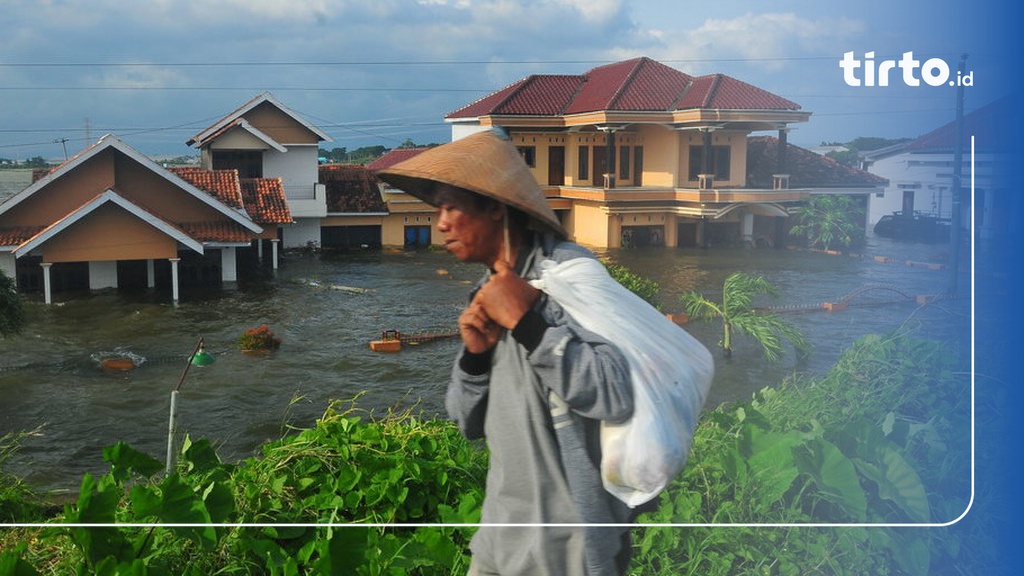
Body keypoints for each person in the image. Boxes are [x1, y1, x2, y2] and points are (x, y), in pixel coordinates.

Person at [376, 129, 635, 576]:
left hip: (566, 547)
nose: (440, 223)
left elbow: (615, 391)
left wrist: (530, 323)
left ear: (494, 206)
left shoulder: (565, 278)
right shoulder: (484, 294)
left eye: (450, 207)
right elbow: (465, 424)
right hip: (499, 535)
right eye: (437, 209)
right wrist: (475, 360)